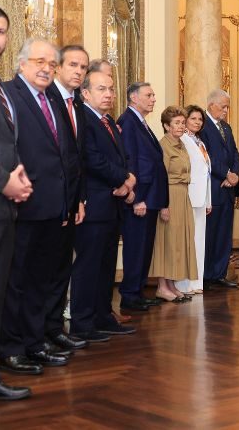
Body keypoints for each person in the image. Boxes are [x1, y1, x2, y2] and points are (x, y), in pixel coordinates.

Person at [0, 38, 81, 372]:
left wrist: (68, 203)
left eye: (51, 63)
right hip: (22, 206)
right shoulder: (7, 95)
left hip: (53, 208)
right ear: (22, 64)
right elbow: (4, 147)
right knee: (16, 283)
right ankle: (10, 348)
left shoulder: (53, 100)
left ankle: (35, 343)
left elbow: (64, 154)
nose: (46, 68)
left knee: (40, 281)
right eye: (39, 62)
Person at [0, 5, 32, 414]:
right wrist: (2, 180)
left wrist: (18, 176)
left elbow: (3, 142)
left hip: (0, 210)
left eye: (0, 31)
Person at [70, 71, 136, 342]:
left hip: (113, 204)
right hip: (94, 204)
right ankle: (82, 324)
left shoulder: (108, 120)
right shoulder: (83, 119)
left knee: (106, 266)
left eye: (111, 88)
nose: (109, 94)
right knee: (88, 266)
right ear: (85, 93)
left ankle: (103, 316)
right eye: (101, 89)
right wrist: (124, 178)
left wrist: (128, 180)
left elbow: (124, 156)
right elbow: (91, 160)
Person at [43, 45, 88, 352]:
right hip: (48, 202)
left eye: (83, 67)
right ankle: (39, 334)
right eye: (72, 64)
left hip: (71, 202)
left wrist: (79, 199)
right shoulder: (49, 99)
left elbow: (77, 159)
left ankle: (54, 329)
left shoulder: (78, 106)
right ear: (58, 67)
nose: (78, 71)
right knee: (44, 273)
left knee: (61, 271)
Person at [117, 82, 169, 311]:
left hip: (151, 198)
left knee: (144, 248)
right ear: (133, 98)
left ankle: (137, 292)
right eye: (149, 95)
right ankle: (129, 296)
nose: (153, 99)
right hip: (140, 199)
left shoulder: (141, 122)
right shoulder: (127, 122)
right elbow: (131, 161)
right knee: (136, 248)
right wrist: (137, 197)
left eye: (154, 94)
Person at [149, 106, 198, 303]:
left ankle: (171, 284)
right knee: (166, 241)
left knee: (178, 241)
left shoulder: (181, 144)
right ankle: (162, 286)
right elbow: (160, 177)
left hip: (182, 195)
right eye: (176, 123)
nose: (181, 126)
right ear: (166, 126)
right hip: (169, 195)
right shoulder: (163, 146)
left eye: (182, 122)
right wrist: (163, 205)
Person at [200, 89, 239, 289]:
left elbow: (235, 153)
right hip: (213, 189)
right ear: (211, 105)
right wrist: (226, 174)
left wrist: (234, 175)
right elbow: (207, 158)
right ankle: (207, 276)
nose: (226, 110)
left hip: (227, 190)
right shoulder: (202, 127)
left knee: (225, 235)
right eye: (223, 106)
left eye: (227, 107)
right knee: (211, 234)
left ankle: (219, 273)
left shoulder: (227, 127)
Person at [176, 105, 211, 294]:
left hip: (201, 198)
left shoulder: (199, 142)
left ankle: (196, 283)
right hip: (187, 197)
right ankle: (183, 284)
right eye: (193, 119)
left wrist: (208, 200)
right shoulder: (182, 140)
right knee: (187, 242)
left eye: (200, 119)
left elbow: (206, 172)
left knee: (198, 241)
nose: (197, 122)